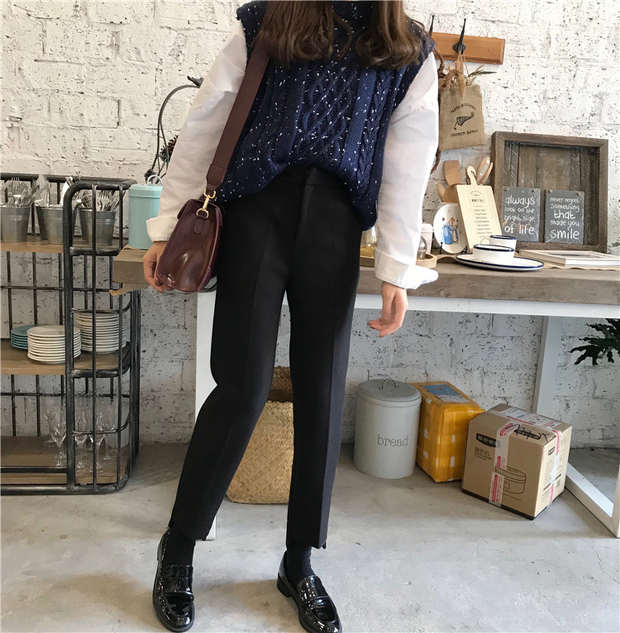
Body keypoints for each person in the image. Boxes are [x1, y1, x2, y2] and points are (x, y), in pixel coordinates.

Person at [143, 1, 439, 631]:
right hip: (256, 215)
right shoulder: (268, 21)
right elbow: (209, 118)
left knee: (322, 392)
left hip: (337, 227)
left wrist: (396, 266)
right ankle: (180, 547)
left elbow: (409, 159)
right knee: (242, 388)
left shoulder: (405, 48)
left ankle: (299, 561)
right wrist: (168, 225)